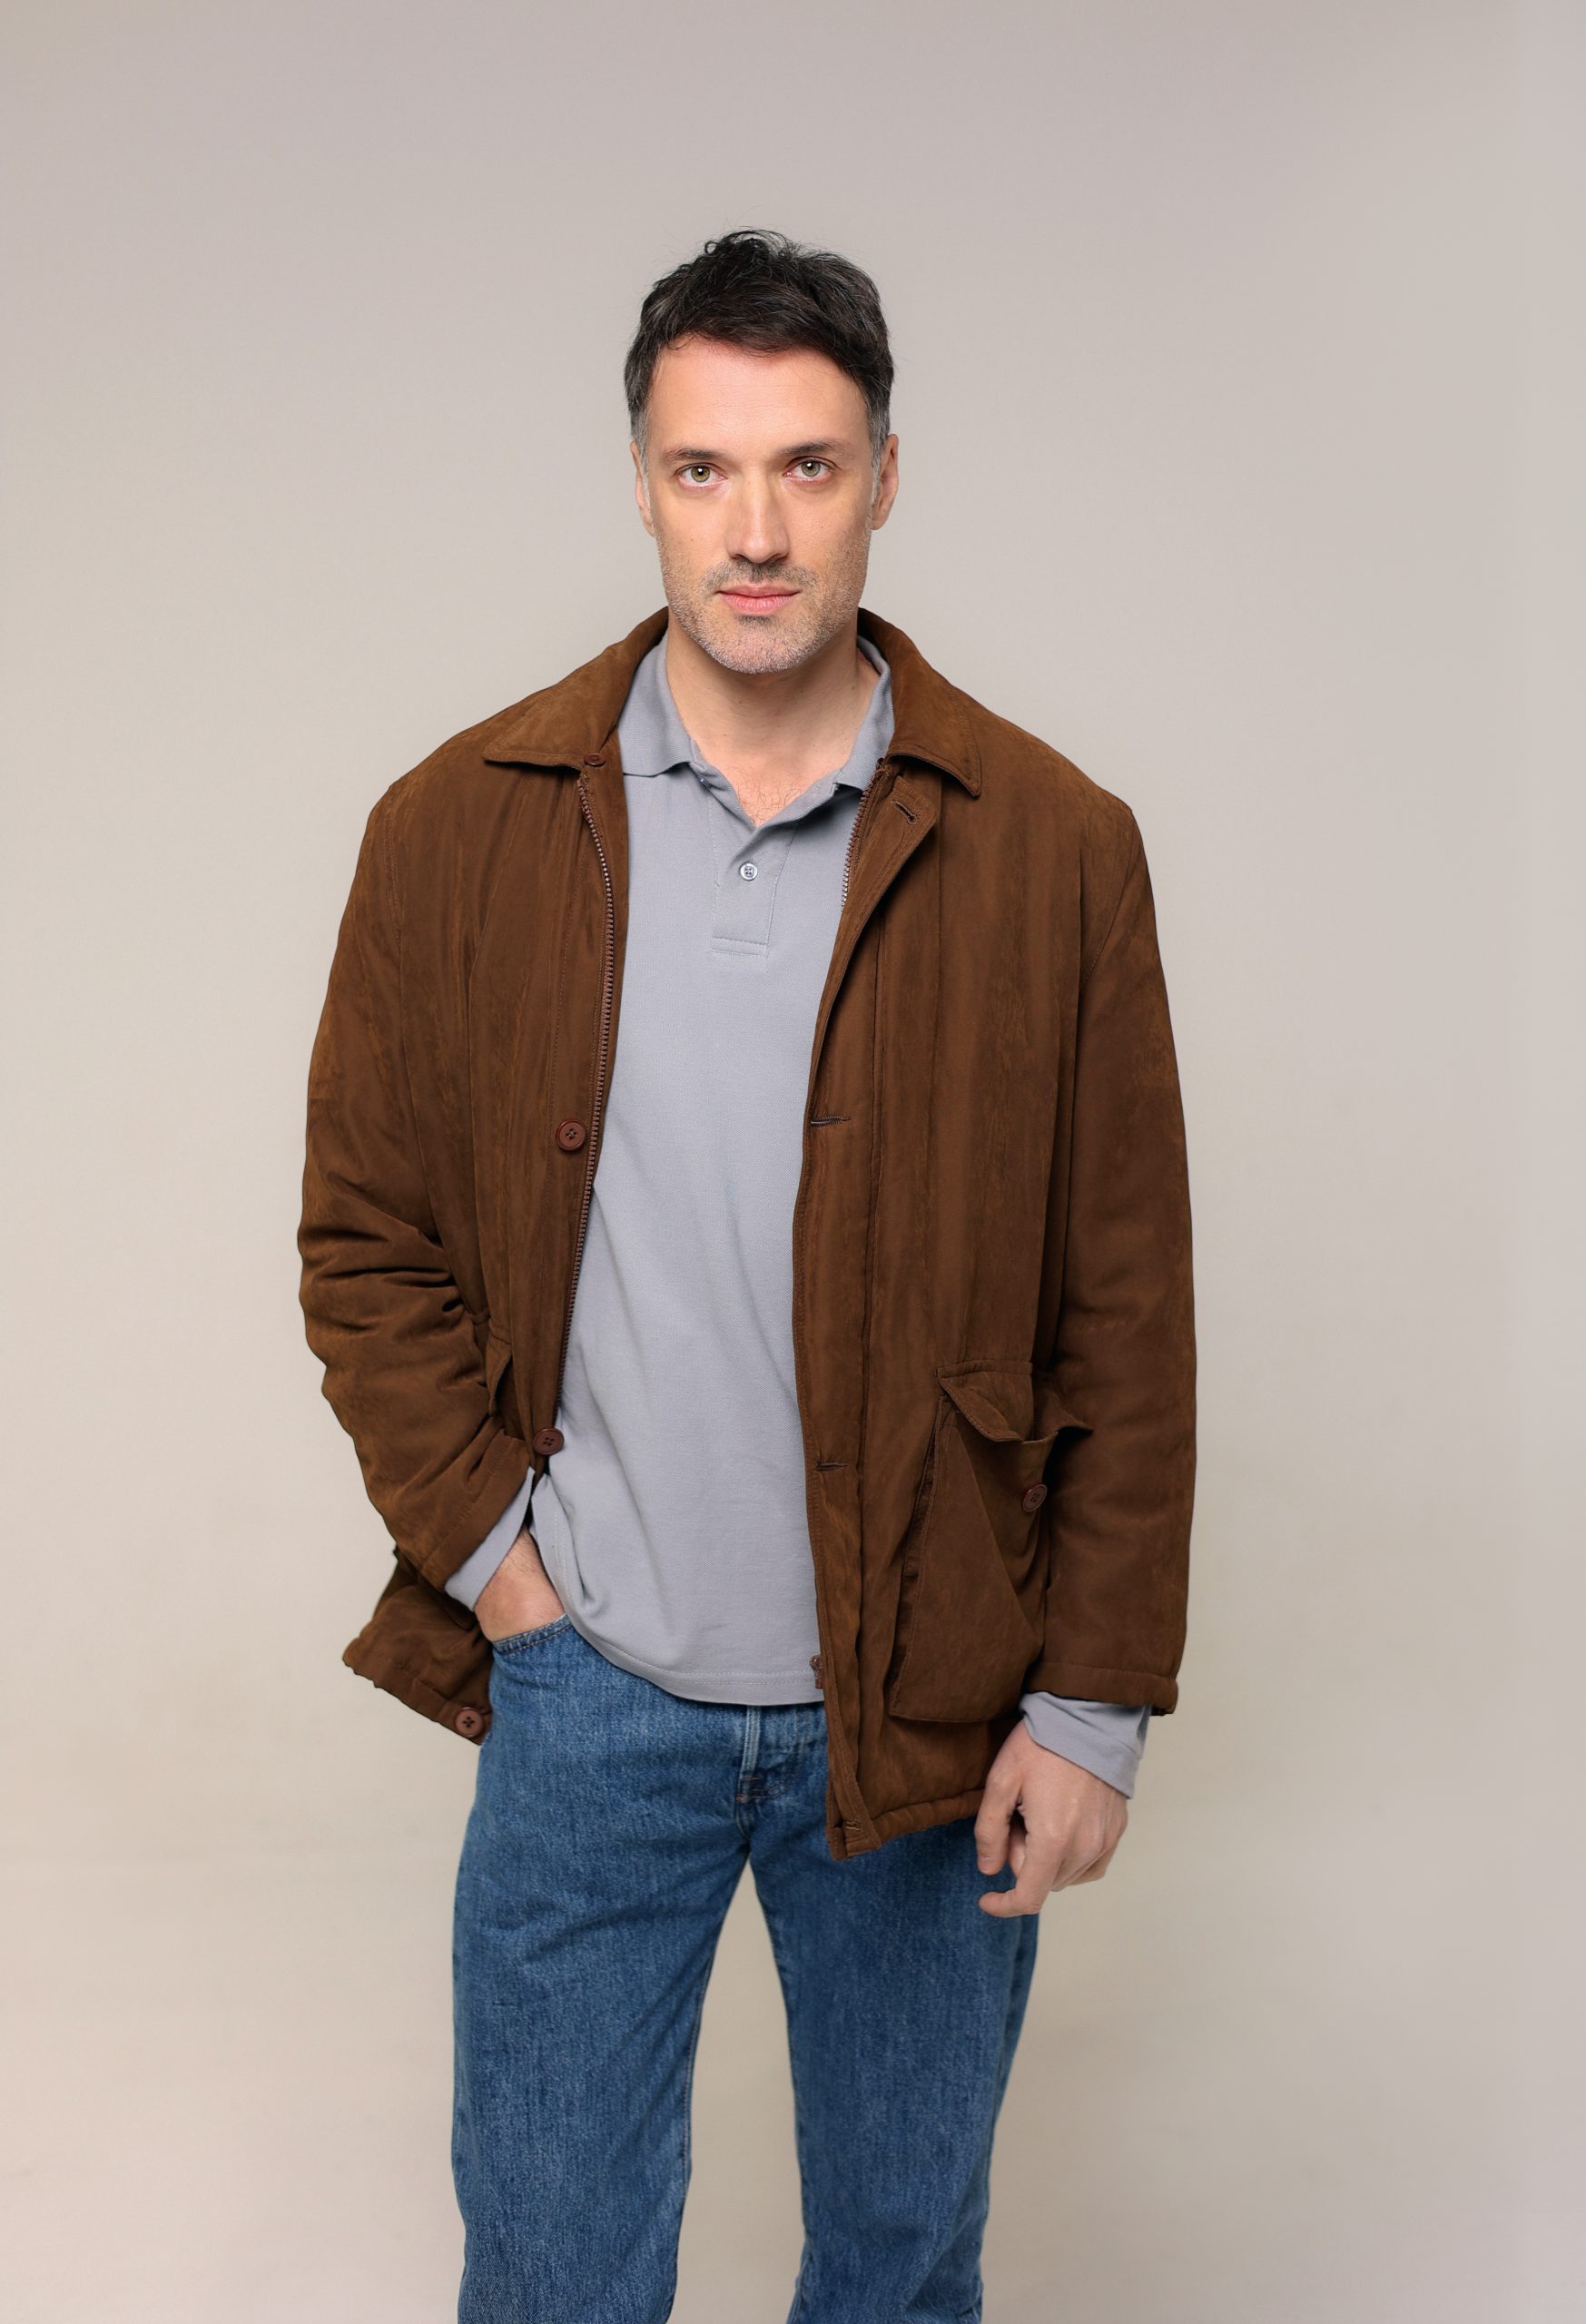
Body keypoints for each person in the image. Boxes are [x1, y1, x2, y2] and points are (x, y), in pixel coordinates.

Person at [298, 227, 1196, 2324]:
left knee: (897, 2265)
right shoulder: (454, 826)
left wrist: (1090, 1701)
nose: (757, 529)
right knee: (550, 2271)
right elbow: (365, 1238)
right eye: (705, 468)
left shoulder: (1053, 844)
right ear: (641, 481)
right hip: (584, 1678)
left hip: (929, 1699)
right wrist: (499, 1565)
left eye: (806, 465)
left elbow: (1126, 1309)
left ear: (884, 477)